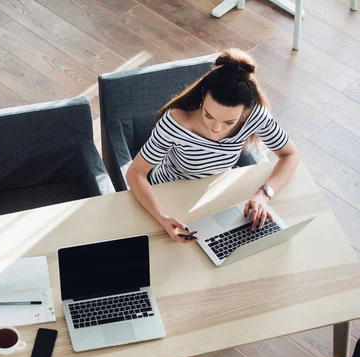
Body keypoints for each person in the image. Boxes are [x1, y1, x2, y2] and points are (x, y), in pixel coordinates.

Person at [126, 48, 300, 243]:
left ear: (245, 112)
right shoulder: (175, 122)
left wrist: (264, 194)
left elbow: (290, 155)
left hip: (214, 194)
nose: (216, 129)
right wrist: (162, 218)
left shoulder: (255, 115)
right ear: (202, 96)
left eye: (229, 122)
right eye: (209, 115)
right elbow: (135, 173)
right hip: (168, 193)